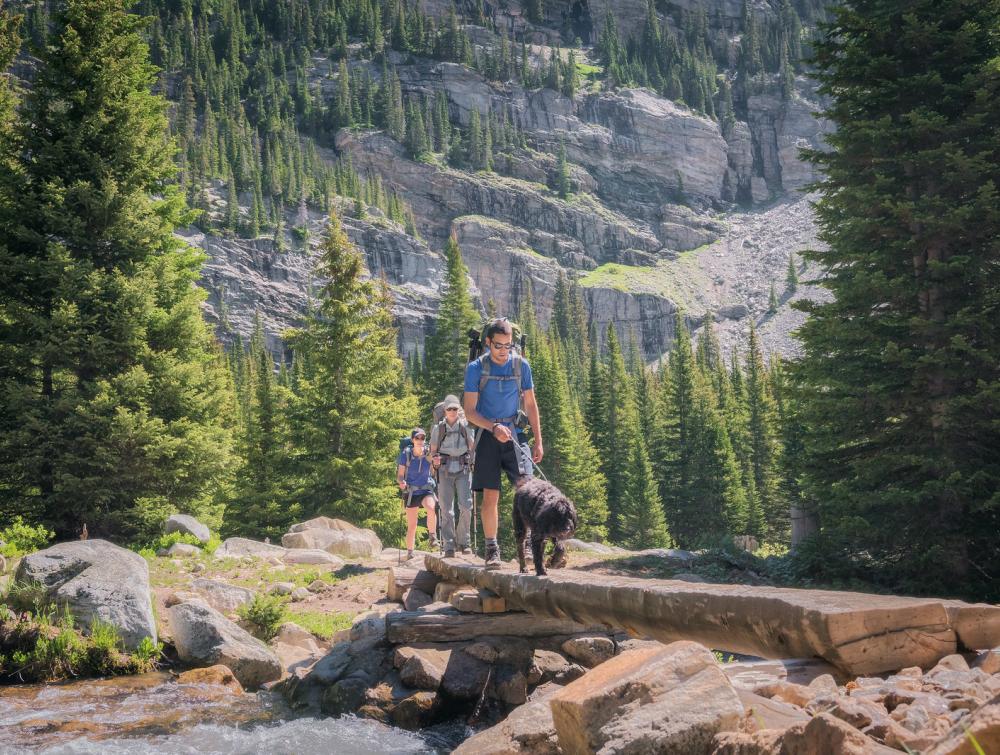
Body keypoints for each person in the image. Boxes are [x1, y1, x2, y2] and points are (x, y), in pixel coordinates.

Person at [463, 318, 543, 568]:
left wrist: (538, 441)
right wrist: (493, 427)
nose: (503, 351)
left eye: (508, 346)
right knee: (490, 496)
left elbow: (530, 404)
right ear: (488, 342)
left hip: (515, 433)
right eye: (498, 345)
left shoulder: (521, 366)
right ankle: (492, 548)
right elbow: (469, 411)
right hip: (488, 435)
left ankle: (529, 544)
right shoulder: (476, 368)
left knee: (526, 489)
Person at [430, 394, 474, 558]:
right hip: (444, 470)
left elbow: (472, 447)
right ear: (445, 410)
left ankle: (464, 542)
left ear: (458, 409)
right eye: (449, 409)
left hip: (463, 469)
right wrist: (434, 459)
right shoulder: (438, 429)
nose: (452, 411)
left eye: (455, 408)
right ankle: (449, 544)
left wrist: (472, 460)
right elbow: (433, 449)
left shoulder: (465, 426)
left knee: (466, 506)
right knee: (446, 509)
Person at [396, 428, 439, 559]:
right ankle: (410, 553)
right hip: (411, 491)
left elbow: (434, 470)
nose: (420, 440)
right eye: (417, 438)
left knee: (431, 508)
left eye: (422, 438)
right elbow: (400, 475)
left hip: (426, 489)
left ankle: (432, 536)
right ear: (413, 440)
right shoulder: (406, 454)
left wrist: (436, 463)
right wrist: (401, 482)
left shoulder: (428, 453)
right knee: (412, 525)